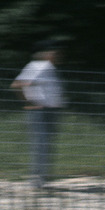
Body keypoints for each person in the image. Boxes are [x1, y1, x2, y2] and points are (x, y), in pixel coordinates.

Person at [10, 40, 66, 188]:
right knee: (41, 144)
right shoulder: (37, 66)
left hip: (51, 111)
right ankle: (36, 179)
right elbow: (18, 84)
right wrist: (28, 103)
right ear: (46, 54)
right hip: (40, 111)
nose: (58, 55)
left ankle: (43, 176)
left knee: (46, 144)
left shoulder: (50, 68)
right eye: (55, 52)